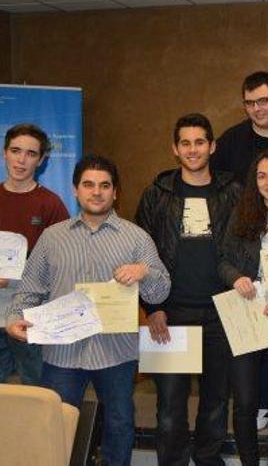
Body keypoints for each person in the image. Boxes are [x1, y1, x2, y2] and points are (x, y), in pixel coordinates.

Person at [6, 154, 170, 466]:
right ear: (75, 190)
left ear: (115, 192)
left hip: (116, 352)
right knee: (57, 424)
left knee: (119, 424)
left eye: (104, 185)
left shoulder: (137, 238)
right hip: (62, 354)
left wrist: (144, 272)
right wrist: (15, 319)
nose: (97, 192)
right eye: (89, 185)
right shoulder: (52, 237)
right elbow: (29, 289)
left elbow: (162, 289)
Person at [134, 113, 240, 466]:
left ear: (212, 146)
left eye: (199, 142)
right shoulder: (158, 193)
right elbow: (140, 255)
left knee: (215, 403)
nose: (193, 149)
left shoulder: (233, 192)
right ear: (174, 149)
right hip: (171, 314)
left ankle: (208, 459)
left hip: (221, 313)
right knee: (170, 407)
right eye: (185, 143)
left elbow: (247, 247)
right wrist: (152, 308)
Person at [218, 150, 268, 466]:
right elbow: (222, 261)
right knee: (244, 399)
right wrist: (236, 277)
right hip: (247, 314)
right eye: (262, 175)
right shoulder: (241, 215)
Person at [0, 123, 68, 385]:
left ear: (40, 160)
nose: (21, 159)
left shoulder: (51, 204)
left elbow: (62, 262)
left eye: (30, 153)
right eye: (16, 151)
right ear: (5, 152)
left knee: (36, 389)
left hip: (31, 316)